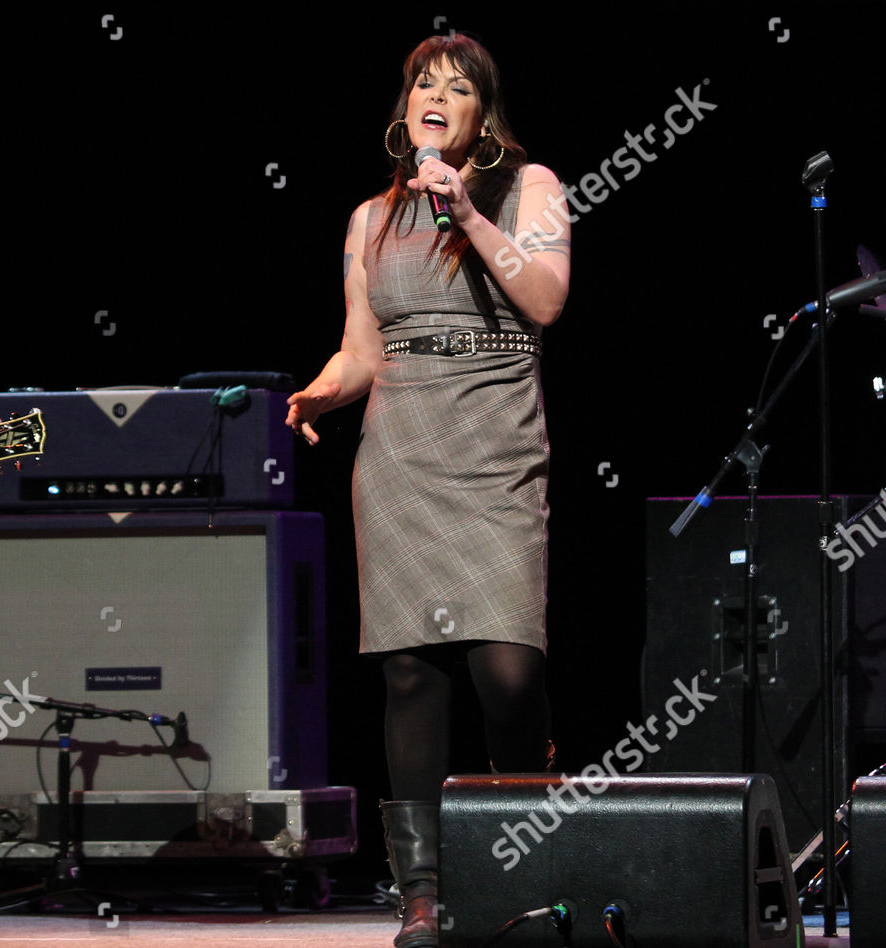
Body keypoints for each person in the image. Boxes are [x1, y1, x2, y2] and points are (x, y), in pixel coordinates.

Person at [286, 35, 569, 948]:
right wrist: (326, 389)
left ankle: (527, 859)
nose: (434, 97)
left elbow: (547, 299)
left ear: (483, 118)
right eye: (422, 84)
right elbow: (362, 349)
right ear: (404, 106)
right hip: (400, 453)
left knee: (508, 670)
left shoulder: (531, 189)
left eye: (456, 88)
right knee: (410, 671)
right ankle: (422, 894)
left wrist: (466, 216)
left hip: (495, 449)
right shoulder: (370, 219)